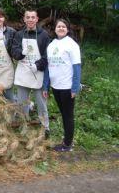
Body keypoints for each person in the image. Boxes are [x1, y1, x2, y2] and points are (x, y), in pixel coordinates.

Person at [43, 19, 81, 152]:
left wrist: (75, 87)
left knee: (67, 115)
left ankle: (67, 144)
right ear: (55, 29)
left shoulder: (72, 45)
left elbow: (77, 67)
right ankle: (67, 140)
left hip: (67, 87)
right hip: (56, 86)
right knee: (63, 113)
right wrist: (45, 86)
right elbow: (48, 67)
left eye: (63, 26)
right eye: (59, 26)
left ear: (67, 29)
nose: (61, 28)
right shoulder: (52, 45)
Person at [12, 9, 51, 137]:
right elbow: (15, 52)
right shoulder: (18, 34)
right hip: (23, 73)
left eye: (32, 17)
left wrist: (38, 65)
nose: (30, 19)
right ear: (24, 19)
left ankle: (45, 128)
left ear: (37, 19)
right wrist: (20, 53)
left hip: (38, 73)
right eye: (27, 17)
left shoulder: (44, 35)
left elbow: (47, 55)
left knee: (41, 103)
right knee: (22, 104)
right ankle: (24, 126)